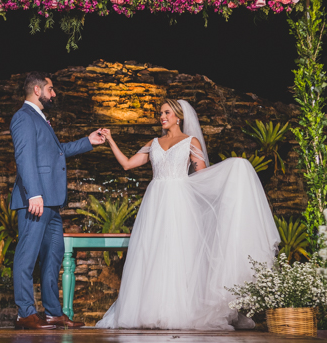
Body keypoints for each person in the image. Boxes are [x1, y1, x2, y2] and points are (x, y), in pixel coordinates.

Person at [95, 99, 280, 330]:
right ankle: (149, 309)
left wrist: (232, 169)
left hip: (179, 201)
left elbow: (202, 175)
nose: (162, 116)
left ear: (178, 116)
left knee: (178, 253)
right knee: (152, 252)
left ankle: (178, 311)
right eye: (160, 113)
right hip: (155, 202)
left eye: (166, 112)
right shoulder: (153, 143)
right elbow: (127, 164)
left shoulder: (189, 142)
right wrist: (110, 140)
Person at [10, 72, 106, 330]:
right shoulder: (23, 117)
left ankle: (52, 313)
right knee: (27, 256)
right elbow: (24, 157)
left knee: (53, 257)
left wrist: (89, 141)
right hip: (36, 200)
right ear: (37, 90)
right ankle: (25, 313)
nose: (54, 94)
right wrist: (34, 193)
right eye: (51, 89)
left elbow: (58, 152)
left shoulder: (41, 119)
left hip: (51, 202)